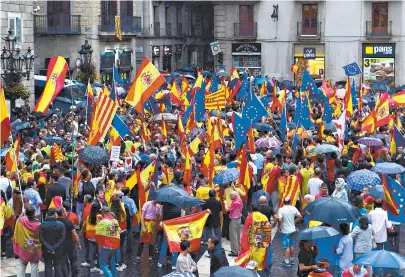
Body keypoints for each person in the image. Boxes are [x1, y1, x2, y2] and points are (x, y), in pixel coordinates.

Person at [12, 205, 41, 277]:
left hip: (23, 248)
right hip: (34, 249)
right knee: (34, 265)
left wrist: (22, 214)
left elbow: (16, 232)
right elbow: (40, 237)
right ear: (34, 214)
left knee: (22, 264)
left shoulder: (20, 220)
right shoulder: (38, 224)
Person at [39, 208, 68, 277]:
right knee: (58, 267)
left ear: (47, 215)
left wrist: (49, 248)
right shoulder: (61, 225)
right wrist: (54, 248)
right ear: (55, 214)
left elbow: (41, 238)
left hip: (46, 250)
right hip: (58, 250)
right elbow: (63, 238)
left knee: (48, 267)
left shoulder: (42, 225)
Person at [96, 206, 121, 277]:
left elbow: (98, 233)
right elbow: (113, 233)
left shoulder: (103, 222)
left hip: (106, 245)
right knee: (113, 264)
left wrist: (98, 223)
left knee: (103, 264)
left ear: (103, 212)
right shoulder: (114, 221)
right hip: (114, 246)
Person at [278, 197, 302, 267]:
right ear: (290, 201)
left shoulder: (281, 209)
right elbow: (300, 216)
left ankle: (286, 261)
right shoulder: (293, 208)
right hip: (293, 229)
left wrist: (279, 227)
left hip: (285, 230)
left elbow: (279, 219)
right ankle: (291, 259)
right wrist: (294, 222)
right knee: (292, 245)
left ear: (283, 202)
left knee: (286, 247)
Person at [56, 207, 80, 277]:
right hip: (70, 244)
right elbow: (75, 234)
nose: (66, 213)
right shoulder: (69, 222)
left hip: (60, 245)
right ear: (63, 213)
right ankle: (74, 275)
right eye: (65, 212)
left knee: (64, 261)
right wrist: (78, 244)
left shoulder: (56, 223)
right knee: (73, 260)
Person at [81, 201, 102, 272]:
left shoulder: (88, 216)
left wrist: (82, 232)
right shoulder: (99, 216)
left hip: (89, 235)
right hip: (97, 235)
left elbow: (84, 224)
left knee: (91, 251)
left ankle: (92, 267)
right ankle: (99, 266)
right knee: (99, 251)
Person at [224, 191, 243, 256]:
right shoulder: (239, 199)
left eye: (231, 195)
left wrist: (225, 203)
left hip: (234, 220)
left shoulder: (235, 202)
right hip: (238, 219)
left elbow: (227, 210)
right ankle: (238, 249)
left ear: (235, 196)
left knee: (233, 236)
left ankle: (235, 251)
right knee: (237, 235)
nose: (230, 197)